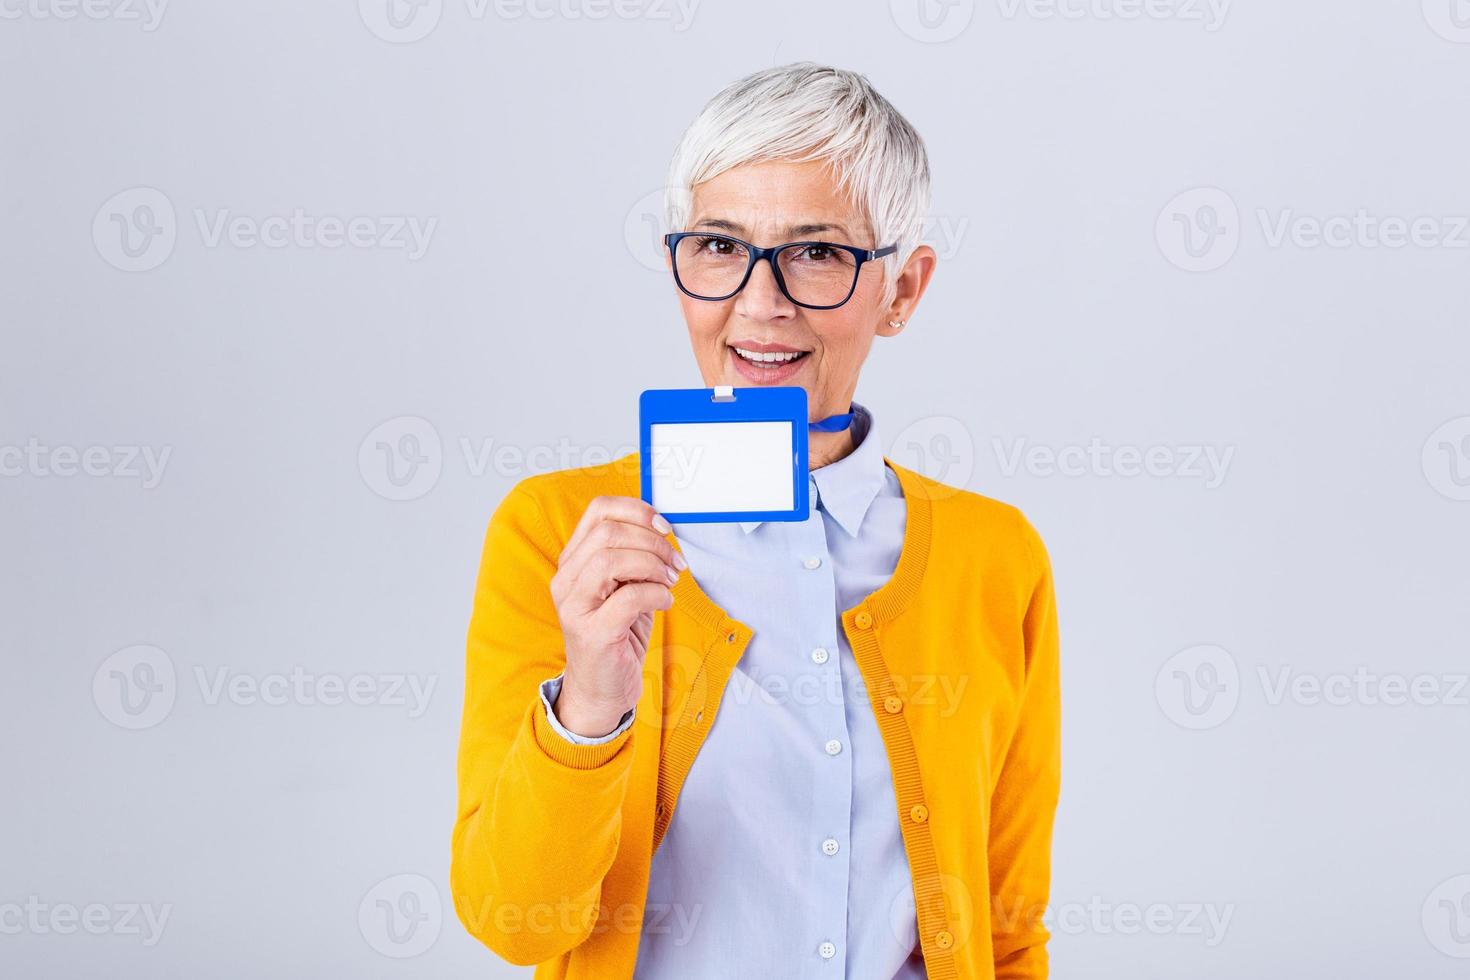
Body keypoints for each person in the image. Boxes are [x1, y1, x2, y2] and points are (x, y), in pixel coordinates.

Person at [451, 62, 1061, 980]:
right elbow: (514, 923)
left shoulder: (994, 555)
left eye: (818, 253)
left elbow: (1008, 930)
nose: (759, 302)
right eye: (719, 247)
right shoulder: (558, 533)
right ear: (678, 266)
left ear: (902, 289)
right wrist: (589, 705)